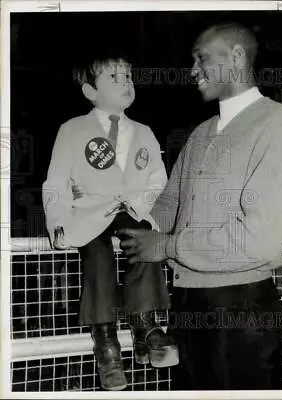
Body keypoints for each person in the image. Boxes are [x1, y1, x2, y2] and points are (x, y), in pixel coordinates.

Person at [119, 22, 282, 390]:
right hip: (187, 307)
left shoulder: (279, 124)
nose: (192, 70)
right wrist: (135, 227)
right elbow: (171, 202)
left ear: (236, 56)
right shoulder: (201, 132)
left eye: (201, 58)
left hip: (242, 312)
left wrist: (166, 246)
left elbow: (261, 239)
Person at [42, 49, 178, 391]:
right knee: (97, 252)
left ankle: (146, 325)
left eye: (128, 76)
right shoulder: (72, 129)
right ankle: (106, 343)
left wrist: (141, 206)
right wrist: (57, 220)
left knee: (143, 239)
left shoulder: (144, 131)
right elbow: (56, 181)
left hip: (133, 210)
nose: (126, 83)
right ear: (90, 91)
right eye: (114, 78)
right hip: (88, 213)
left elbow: (158, 181)